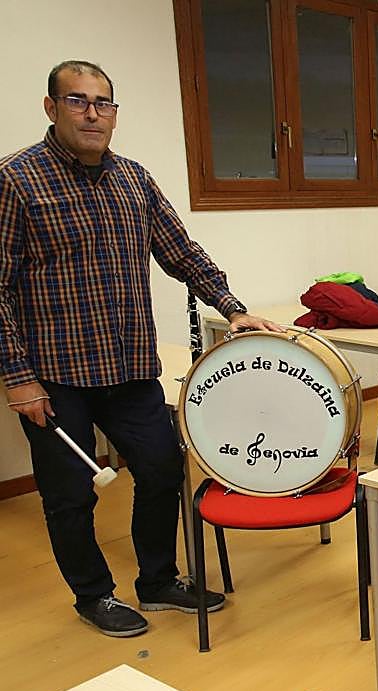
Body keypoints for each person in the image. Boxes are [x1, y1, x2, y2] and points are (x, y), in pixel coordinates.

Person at [0, 60, 281, 638]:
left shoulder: (135, 180)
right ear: (51, 108)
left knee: (161, 468)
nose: (92, 114)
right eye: (77, 101)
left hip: (129, 366)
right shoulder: (16, 180)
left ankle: (157, 580)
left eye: (103, 103)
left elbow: (182, 252)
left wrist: (232, 307)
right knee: (69, 495)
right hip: (54, 375)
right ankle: (93, 595)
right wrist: (17, 377)